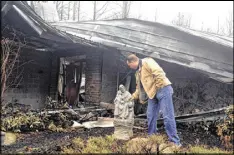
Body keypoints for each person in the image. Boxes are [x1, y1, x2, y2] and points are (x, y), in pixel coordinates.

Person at [127, 54, 181, 146]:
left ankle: (175, 142)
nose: (129, 67)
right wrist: (131, 97)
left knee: (167, 116)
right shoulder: (138, 73)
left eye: (129, 65)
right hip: (153, 94)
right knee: (150, 115)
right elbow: (138, 89)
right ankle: (152, 137)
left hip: (163, 89)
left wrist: (159, 86)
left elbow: (159, 73)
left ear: (132, 62)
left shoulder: (147, 61)